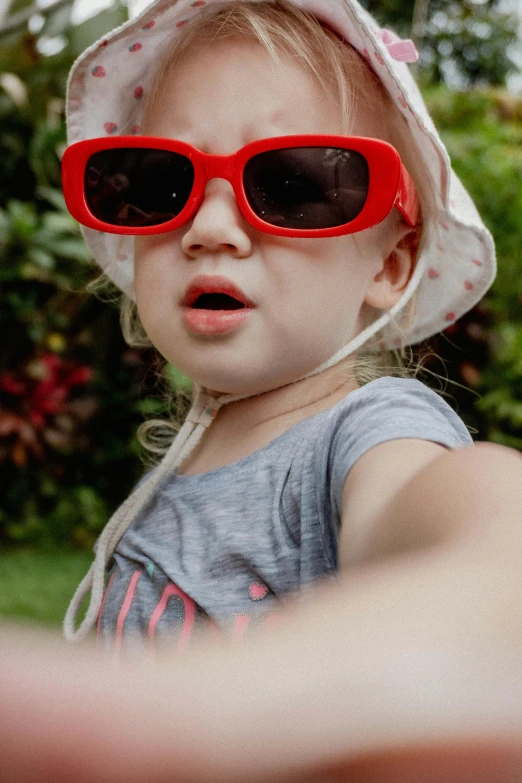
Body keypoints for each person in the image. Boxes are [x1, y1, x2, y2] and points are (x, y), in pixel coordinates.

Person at [2, 0, 522, 780]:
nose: (211, 226)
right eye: (160, 180)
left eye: (294, 183)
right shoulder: (195, 456)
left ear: (388, 265)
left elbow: (483, 524)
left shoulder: (364, 435)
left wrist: (221, 708)